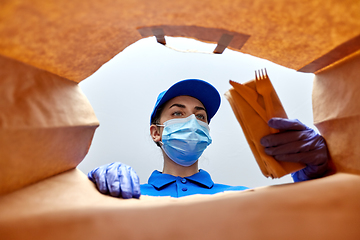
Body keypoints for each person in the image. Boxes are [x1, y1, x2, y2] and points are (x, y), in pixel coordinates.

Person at [88, 79, 330, 199]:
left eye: (200, 116)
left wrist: (317, 174)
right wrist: (90, 192)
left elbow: (314, 221)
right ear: (156, 132)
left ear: (207, 133)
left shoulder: (240, 197)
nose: (192, 122)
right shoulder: (130, 195)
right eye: (178, 113)